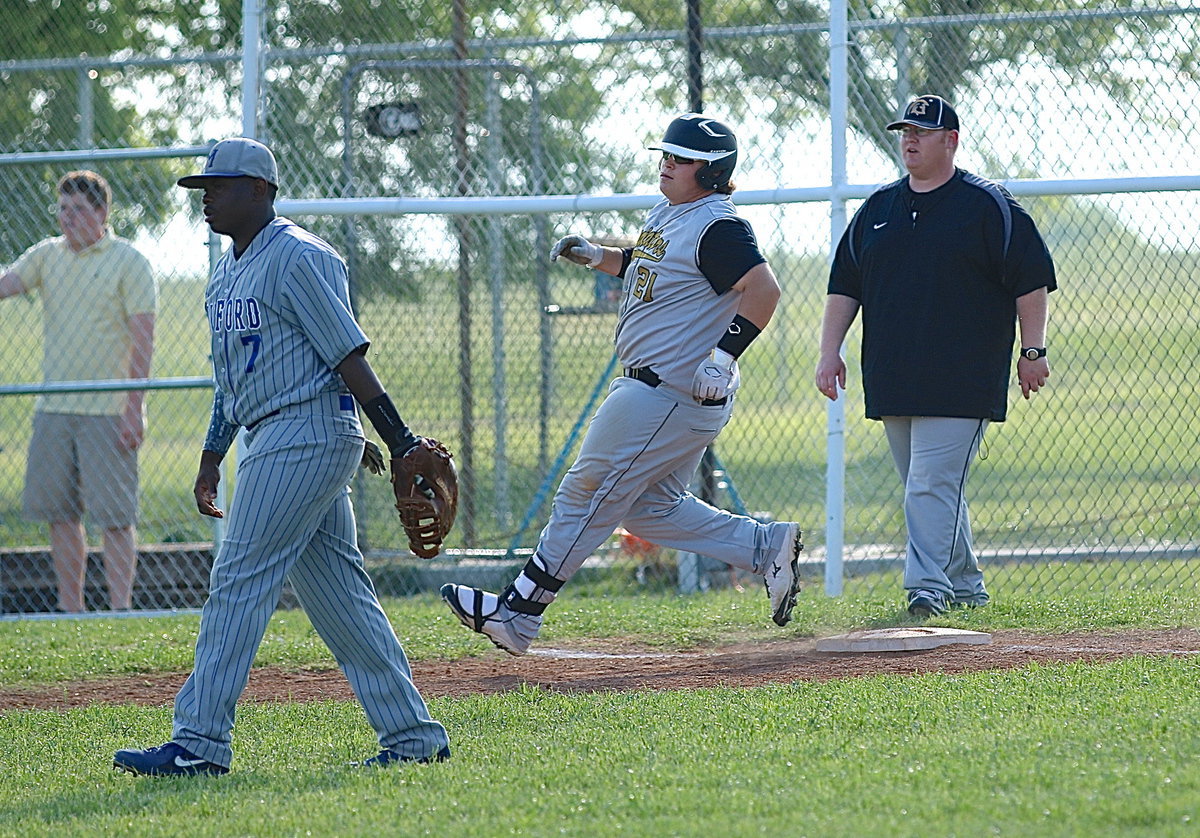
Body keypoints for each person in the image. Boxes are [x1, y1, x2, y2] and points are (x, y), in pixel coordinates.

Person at [113, 138, 449, 776]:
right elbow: (231, 377)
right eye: (202, 188)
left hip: (304, 434)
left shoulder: (299, 257)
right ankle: (412, 736)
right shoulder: (225, 272)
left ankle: (199, 743)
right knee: (339, 598)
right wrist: (213, 453)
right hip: (274, 437)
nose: (206, 196)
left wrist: (399, 438)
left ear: (261, 190)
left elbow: (349, 356)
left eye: (221, 185)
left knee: (237, 581)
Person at [441, 113, 803, 656]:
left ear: (709, 172)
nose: (666, 164)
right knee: (647, 509)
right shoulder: (675, 213)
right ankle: (763, 545)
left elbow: (763, 289)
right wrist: (601, 257)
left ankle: (518, 614)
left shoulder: (717, 224)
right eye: (666, 155)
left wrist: (724, 355)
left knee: (584, 494)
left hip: (669, 391)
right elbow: (654, 267)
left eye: (679, 159)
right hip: (657, 392)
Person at [815, 94, 1057, 618]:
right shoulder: (878, 208)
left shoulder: (988, 205)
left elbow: (1030, 281)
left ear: (951, 141)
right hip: (894, 374)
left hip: (962, 377)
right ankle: (967, 584)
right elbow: (844, 285)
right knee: (930, 489)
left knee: (928, 487)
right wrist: (828, 351)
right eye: (905, 131)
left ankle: (927, 587)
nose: (910, 140)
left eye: (922, 132)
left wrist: (1032, 349)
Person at [0, 170, 156, 613]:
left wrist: (134, 409)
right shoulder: (47, 256)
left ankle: (120, 612)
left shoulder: (130, 262)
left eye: (79, 210)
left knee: (115, 519)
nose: (68, 218)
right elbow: (7, 284)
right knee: (61, 516)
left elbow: (143, 340)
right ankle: (73, 614)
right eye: (62, 209)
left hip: (108, 412)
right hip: (55, 409)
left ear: (102, 212)